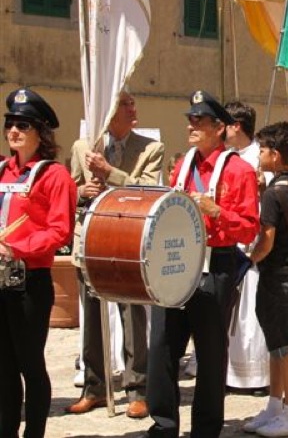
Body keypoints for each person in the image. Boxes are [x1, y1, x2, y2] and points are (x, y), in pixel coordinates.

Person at [146, 91, 259, 438]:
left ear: (220, 128)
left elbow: (250, 225)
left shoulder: (239, 170)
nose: (191, 126)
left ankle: (206, 431)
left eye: (200, 121)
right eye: (190, 120)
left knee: (210, 355)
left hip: (216, 265)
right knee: (163, 347)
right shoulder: (183, 166)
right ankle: (163, 426)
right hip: (177, 262)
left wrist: (217, 212)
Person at [67, 90, 163, 419]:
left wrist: (110, 172)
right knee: (91, 318)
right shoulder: (83, 147)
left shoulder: (150, 148)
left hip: (128, 242)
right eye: (125, 103)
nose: (133, 108)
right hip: (91, 242)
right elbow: (71, 189)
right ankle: (93, 386)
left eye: (133, 102)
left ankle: (138, 388)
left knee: (133, 316)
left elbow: (148, 191)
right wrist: (82, 191)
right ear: (109, 111)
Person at [0, 88, 77, 438]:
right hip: (0, 279)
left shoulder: (54, 175)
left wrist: (17, 248)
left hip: (30, 280)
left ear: (40, 133)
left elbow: (60, 230)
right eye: (10, 124)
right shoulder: (2, 170)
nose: (14, 131)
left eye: (23, 125)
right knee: (3, 365)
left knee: (30, 363)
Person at [243, 121, 288, 437]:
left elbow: (266, 240)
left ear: (276, 154)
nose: (259, 154)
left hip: (278, 276)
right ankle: (275, 405)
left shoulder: (273, 192)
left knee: (285, 346)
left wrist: (249, 259)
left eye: (263, 149)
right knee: (276, 345)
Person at [223, 100, 270, 396]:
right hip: (229, 238)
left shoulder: (259, 158)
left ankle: (256, 376)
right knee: (230, 312)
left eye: (224, 124)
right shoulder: (227, 157)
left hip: (252, 240)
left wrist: (263, 184)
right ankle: (230, 372)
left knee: (251, 310)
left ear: (236, 126)